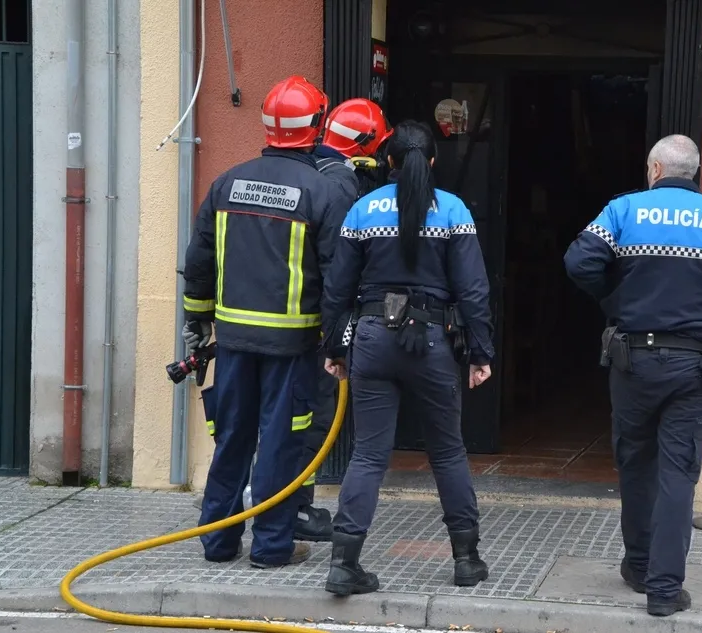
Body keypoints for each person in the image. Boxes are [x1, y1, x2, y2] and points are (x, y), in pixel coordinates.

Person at [563, 134, 702, 617]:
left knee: (636, 464)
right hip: (693, 362)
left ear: (655, 170)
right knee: (678, 472)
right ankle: (665, 589)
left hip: (632, 360)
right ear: (693, 171)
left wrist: (616, 299)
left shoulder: (624, 210)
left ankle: (639, 567)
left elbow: (579, 261)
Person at [182, 75, 354, 569]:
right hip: (293, 346)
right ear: (317, 125)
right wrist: (338, 343)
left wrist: (198, 321)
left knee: (231, 438)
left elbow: (199, 262)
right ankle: (272, 547)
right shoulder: (324, 192)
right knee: (281, 443)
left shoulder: (226, 183)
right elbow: (337, 278)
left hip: (234, 341)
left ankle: (218, 542)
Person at [319, 120, 495, 596]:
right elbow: (473, 290)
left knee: (368, 454)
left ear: (389, 161)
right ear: (432, 161)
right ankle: (466, 560)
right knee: (448, 451)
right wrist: (481, 351)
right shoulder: (453, 210)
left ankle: (343, 563)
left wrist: (334, 346)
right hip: (434, 341)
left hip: (372, 338)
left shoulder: (361, 210)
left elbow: (337, 288)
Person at [291, 98, 394, 544]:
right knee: (313, 416)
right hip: (318, 323)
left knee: (289, 415)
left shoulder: (308, 172)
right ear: (367, 145)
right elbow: (340, 267)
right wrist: (338, 334)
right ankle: (297, 508)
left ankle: (280, 502)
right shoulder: (341, 186)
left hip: (287, 317)